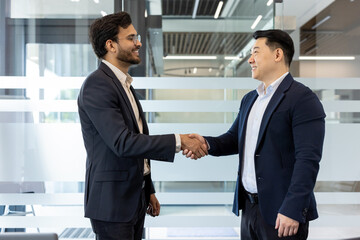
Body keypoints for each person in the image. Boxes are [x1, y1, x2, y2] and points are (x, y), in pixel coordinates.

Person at [184, 29, 325, 239]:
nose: (250, 59)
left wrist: (292, 209)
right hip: (249, 209)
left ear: (277, 55)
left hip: (282, 213)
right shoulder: (251, 99)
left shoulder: (302, 99)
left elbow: (308, 160)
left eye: (256, 52)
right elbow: (233, 140)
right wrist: (205, 143)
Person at [77, 12, 207, 240]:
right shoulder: (97, 85)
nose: (138, 43)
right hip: (112, 204)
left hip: (134, 197)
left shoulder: (124, 84)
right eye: (131, 38)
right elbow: (123, 142)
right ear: (111, 45)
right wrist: (180, 140)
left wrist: (148, 190)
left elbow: (137, 144)